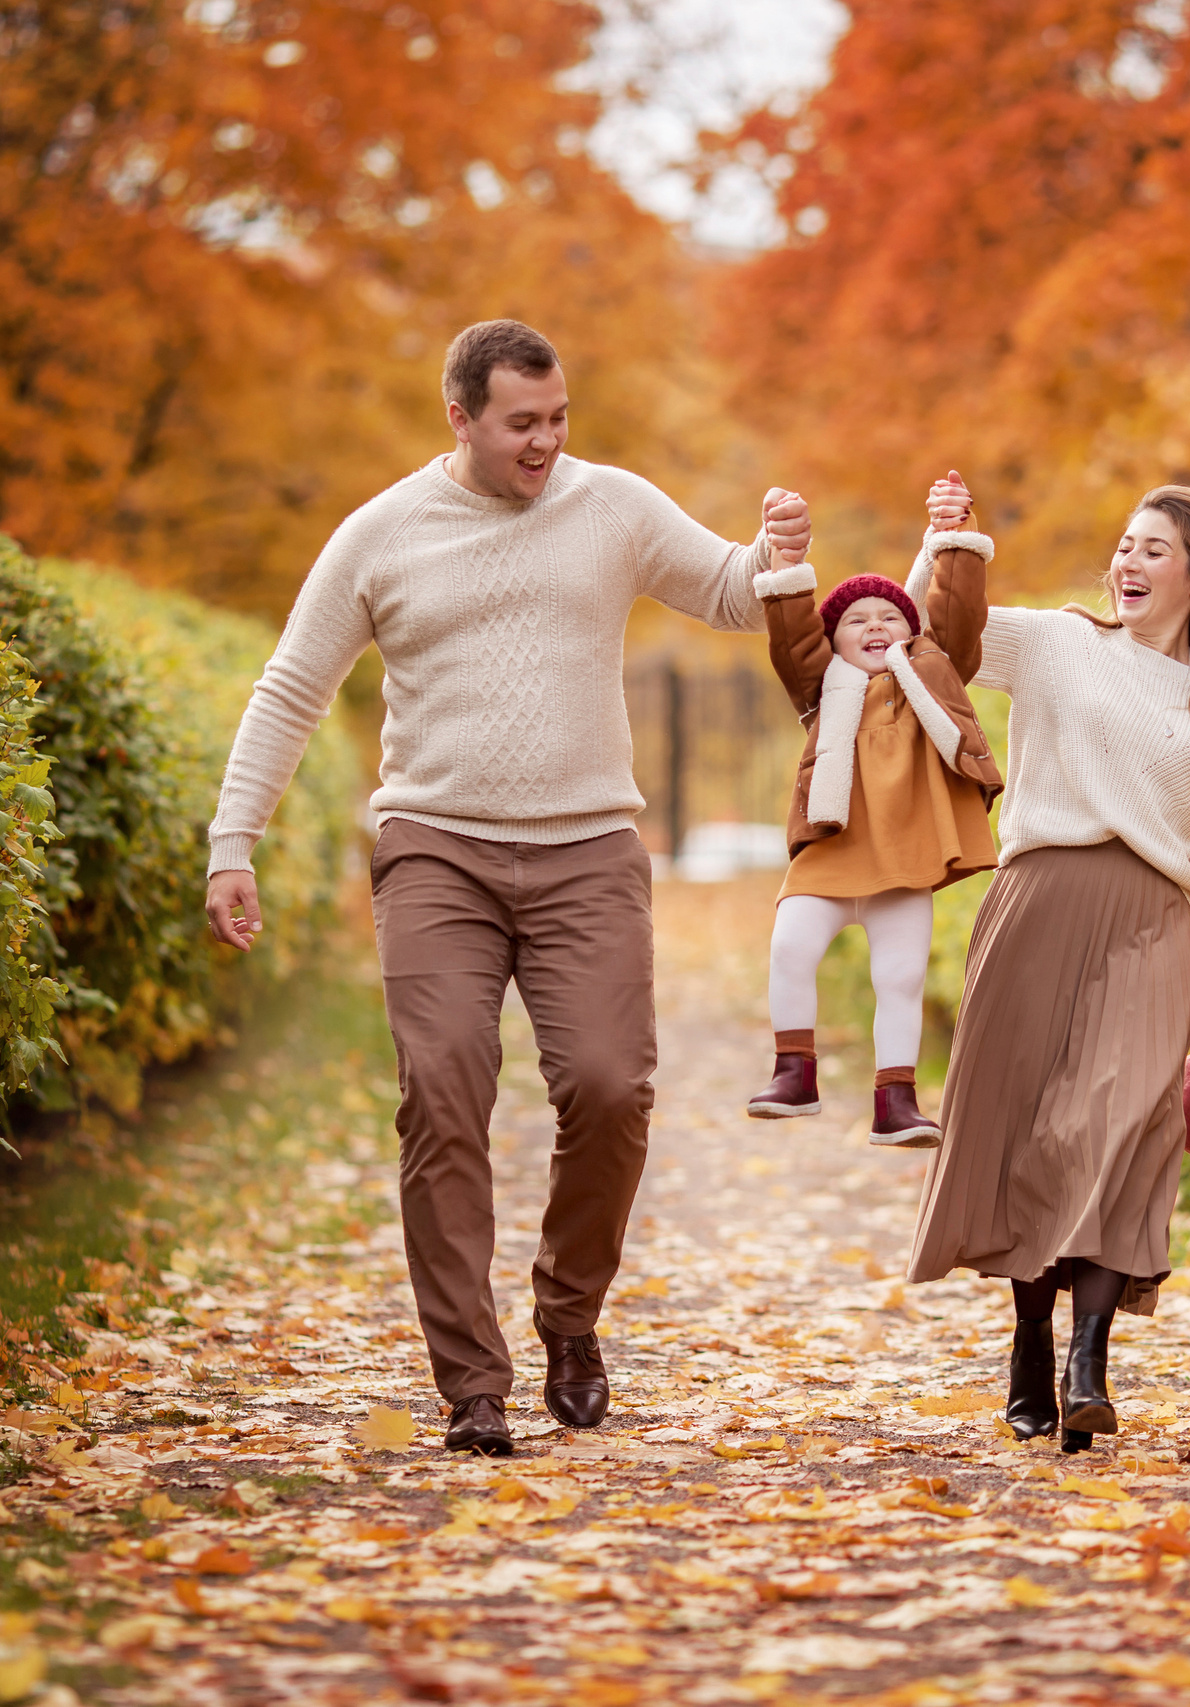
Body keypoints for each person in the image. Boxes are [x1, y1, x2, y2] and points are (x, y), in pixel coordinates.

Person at [202, 319, 810, 1458]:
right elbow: (291, 685)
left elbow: (730, 591)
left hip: (586, 849)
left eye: (558, 419)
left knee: (610, 1087)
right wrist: (235, 838)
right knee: (441, 1086)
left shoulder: (612, 507)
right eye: (520, 424)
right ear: (462, 417)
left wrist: (776, 550)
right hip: (438, 849)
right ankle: (472, 1383)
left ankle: (569, 1316)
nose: (545, 443)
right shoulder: (381, 536)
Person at [906, 474, 1190, 1452]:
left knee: (1122, 1129)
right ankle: (1029, 1345)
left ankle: (1091, 1358)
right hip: (1037, 904)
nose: (1127, 561)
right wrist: (946, 540)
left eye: (1152, 549)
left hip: (1149, 925)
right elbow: (932, 631)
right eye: (1124, 545)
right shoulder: (1056, 643)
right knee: (1033, 1138)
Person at [745, 478, 1002, 1145]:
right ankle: (793, 1071)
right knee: (790, 947)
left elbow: (956, 613)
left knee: (901, 974)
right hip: (832, 849)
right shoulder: (823, 687)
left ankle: (897, 1099)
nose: (875, 627)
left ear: (913, 633)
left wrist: (951, 537)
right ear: (832, 641)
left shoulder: (934, 676)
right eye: (856, 620)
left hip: (907, 856)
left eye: (889, 618)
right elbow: (792, 634)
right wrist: (784, 564)